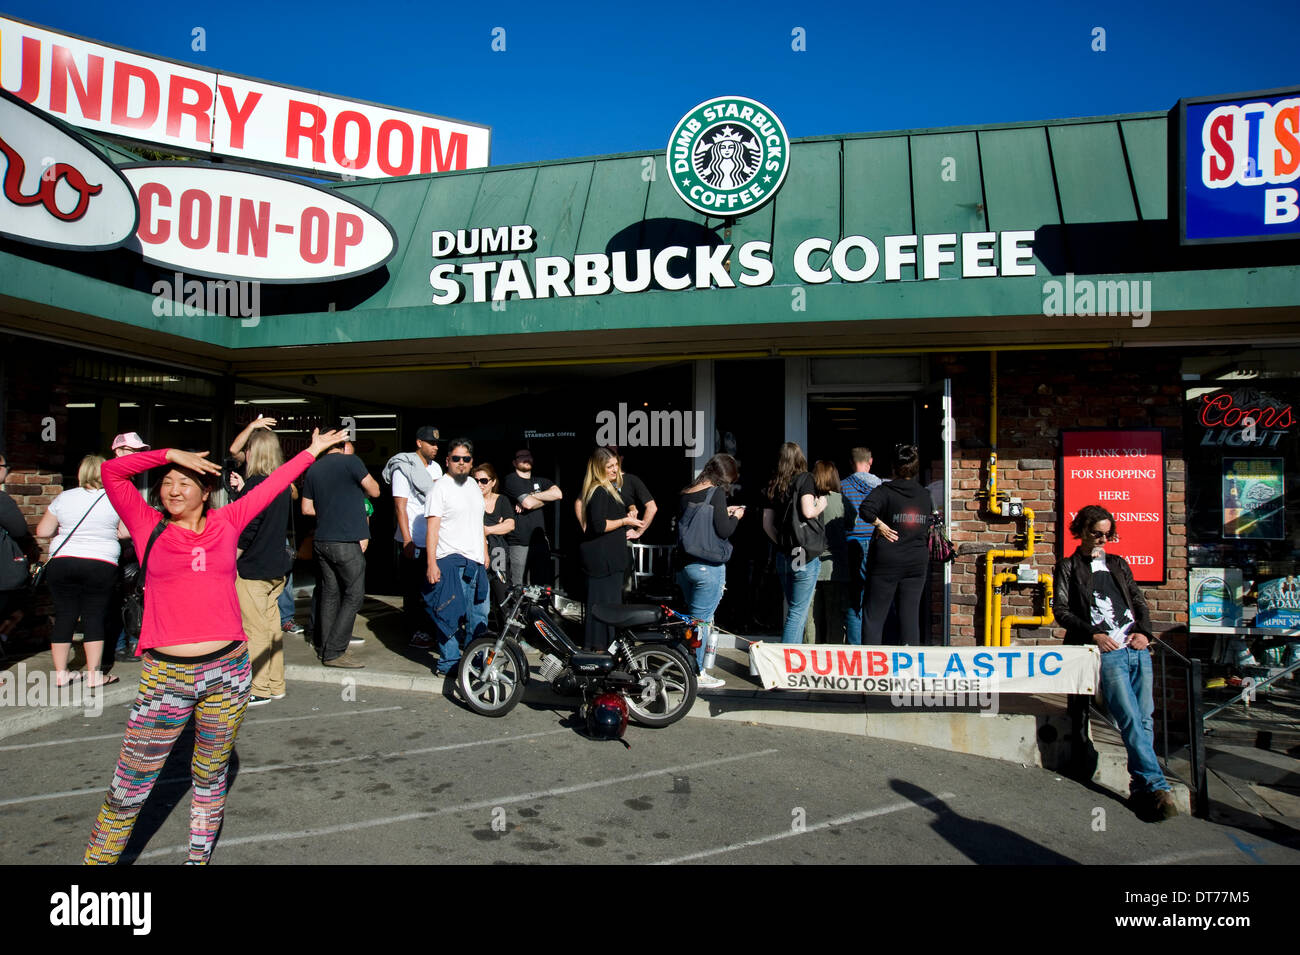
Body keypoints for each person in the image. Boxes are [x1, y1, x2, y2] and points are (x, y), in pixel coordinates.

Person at [84, 427, 349, 864]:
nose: (172, 489)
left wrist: (311, 454)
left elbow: (275, 485)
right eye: (168, 481)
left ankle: (198, 859)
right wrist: (169, 453)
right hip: (164, 676)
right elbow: (113, 472)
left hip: (227, 674)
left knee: (208, 778)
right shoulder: (146, 524)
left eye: (184, 481)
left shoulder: (228, 522)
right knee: (128, 785)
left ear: (206, 491)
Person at [1053, 504, 1176, 820]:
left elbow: (1138, 602)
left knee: (1146, 718)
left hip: (1135, 647)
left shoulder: (1119, 565)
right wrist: (1094, 634)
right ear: (1081, 532)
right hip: (1109, 652)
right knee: (1130, 719)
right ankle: (1158, 786)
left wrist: (1145, 633)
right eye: (1097, 534)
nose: (1102, 540)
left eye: (1108, 535)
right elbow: (1062, 611)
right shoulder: (1069, 567)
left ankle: (1141, 789)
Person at [34, 455, 129, 687]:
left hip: (63, 562)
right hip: (101, 562)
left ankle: (61, 674)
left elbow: (43, 531)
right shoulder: (115, 498)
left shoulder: (64, 497)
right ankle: (95, 676)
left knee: (65, 614)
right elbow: (126, 532)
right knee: (94, 615)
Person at [302, 437, 380, 668]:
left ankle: (325, 647)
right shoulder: (351, 462)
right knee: (355, 594)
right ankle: (335, 651)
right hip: (345, 542)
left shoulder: (314, 468)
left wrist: (329, 511)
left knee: (330, 594)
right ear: (343, 445)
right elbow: (374, 491)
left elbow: (306, 508)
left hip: (321, 540)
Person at [233, 429, 296, 706]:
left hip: (253, 568)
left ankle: (258, 687)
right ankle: (275, 683)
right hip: (275, 568)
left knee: (254, 630)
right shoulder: (282, 485)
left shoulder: (254, 485)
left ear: (253, 453)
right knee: (271, 629)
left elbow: (247, 530)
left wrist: (230, 558)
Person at [675, 453, 742, 688]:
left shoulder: (686, 492)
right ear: (723, 478)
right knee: (701, 622)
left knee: (690, 621)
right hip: (708, 567)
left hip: (684, 567)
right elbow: (723, 530)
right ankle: (697, 672)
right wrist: (735, 517)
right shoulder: (716, 494)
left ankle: (681, 663)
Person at [856, 445, 934, 646]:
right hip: (916, 561)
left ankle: (872, 666)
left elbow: (865, 509)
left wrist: (881, 525)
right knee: (910, 617)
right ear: (915, 469)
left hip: (887, 561)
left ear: (893, 467)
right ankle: (911, 666)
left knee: (874, 616)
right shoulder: (925, 495)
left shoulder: (885, 491)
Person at [424, 440, 489, 675]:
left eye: (466, 459)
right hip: (449, 560)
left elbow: (478, 521)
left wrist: (484, 550)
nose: (461, 463)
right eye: (456, 458)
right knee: (449, 615)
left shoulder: (473, 484)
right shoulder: (439, 488)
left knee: (480, 616)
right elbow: (432, 528)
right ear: (447, 461)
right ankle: (449, 663)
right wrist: (431, 563)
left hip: (476, 561)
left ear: (471, 462)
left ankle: (475, 662)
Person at [382, 425, 443, 649]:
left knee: (432, 587)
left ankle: (430, 628)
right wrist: (407, 539)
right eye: (431, 443)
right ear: (419, 443)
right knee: (414, 589)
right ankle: (415, 631)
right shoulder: (403, 468)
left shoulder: (436, 468)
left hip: (433, 537)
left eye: (437, 443)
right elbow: (400, 506)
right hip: (414, 539)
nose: (435, 447)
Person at [578, 448, 643, 651]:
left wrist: (629, 510)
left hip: (610, 560)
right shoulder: (598, 490)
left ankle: (607, 648)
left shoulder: (610, 488)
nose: (615, 469)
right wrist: (625, 520)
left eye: (616, 465)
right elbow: (599, 525)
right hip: (601, 561)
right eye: (610, 466)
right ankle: (598, 649)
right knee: (602, 607)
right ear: (599, 469)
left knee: (610, 606)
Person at [762, 442, 826, 644]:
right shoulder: (805, 479)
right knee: (797, 614)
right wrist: (821, 503)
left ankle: (792, 659)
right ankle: (788, 664)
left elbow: (766, 525)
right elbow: (808, 511)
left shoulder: (773, 484)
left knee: (794, 610)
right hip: (803, 555)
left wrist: (783, 544)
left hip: (784, 555)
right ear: (800, 458)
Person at [501, 449, 561, 588]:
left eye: (528, 456)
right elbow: (527, 503)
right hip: (519, 541)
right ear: (514, 462)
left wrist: (532, 496)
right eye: (521, 457)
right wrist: (544, 499)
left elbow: (558, 494)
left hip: (540, 542)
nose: (526, 459)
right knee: (519, 586)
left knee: (540, 586)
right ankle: (519, 610)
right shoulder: (511, 479)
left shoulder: (541, 480)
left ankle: (538, 610)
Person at [804, 461, 850, 644]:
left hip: (810, 563)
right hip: (835, 567)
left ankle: (808, 654)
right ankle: (834, 655)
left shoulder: (809, 499)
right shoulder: (840, 500)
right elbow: (851, 523)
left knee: (810, 618)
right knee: (835, 618)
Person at [840, 447, 882, 645]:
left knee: (853, 601)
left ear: (851, 462)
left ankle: (855, 648)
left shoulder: (842, 487)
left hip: (851, 545)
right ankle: (874, 646)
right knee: (875, 599)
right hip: (875, 544)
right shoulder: (880, 488)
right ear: (870, 461)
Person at [0, 452, 36, 646]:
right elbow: (19, 529)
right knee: (15, 611)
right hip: (3, 576)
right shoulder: (1, 500)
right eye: (5, 467)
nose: (8, 471)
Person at [474, 462, 515, 585]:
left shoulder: (502, 500)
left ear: (493, 482)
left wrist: (487, 529)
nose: (479, 484)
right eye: (475, 481)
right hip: (476, 552)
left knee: (502, 590)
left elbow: (510, 525)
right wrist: (498, 526)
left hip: (498, 551)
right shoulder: (471, 501)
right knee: (479, 592)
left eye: (483, 481)